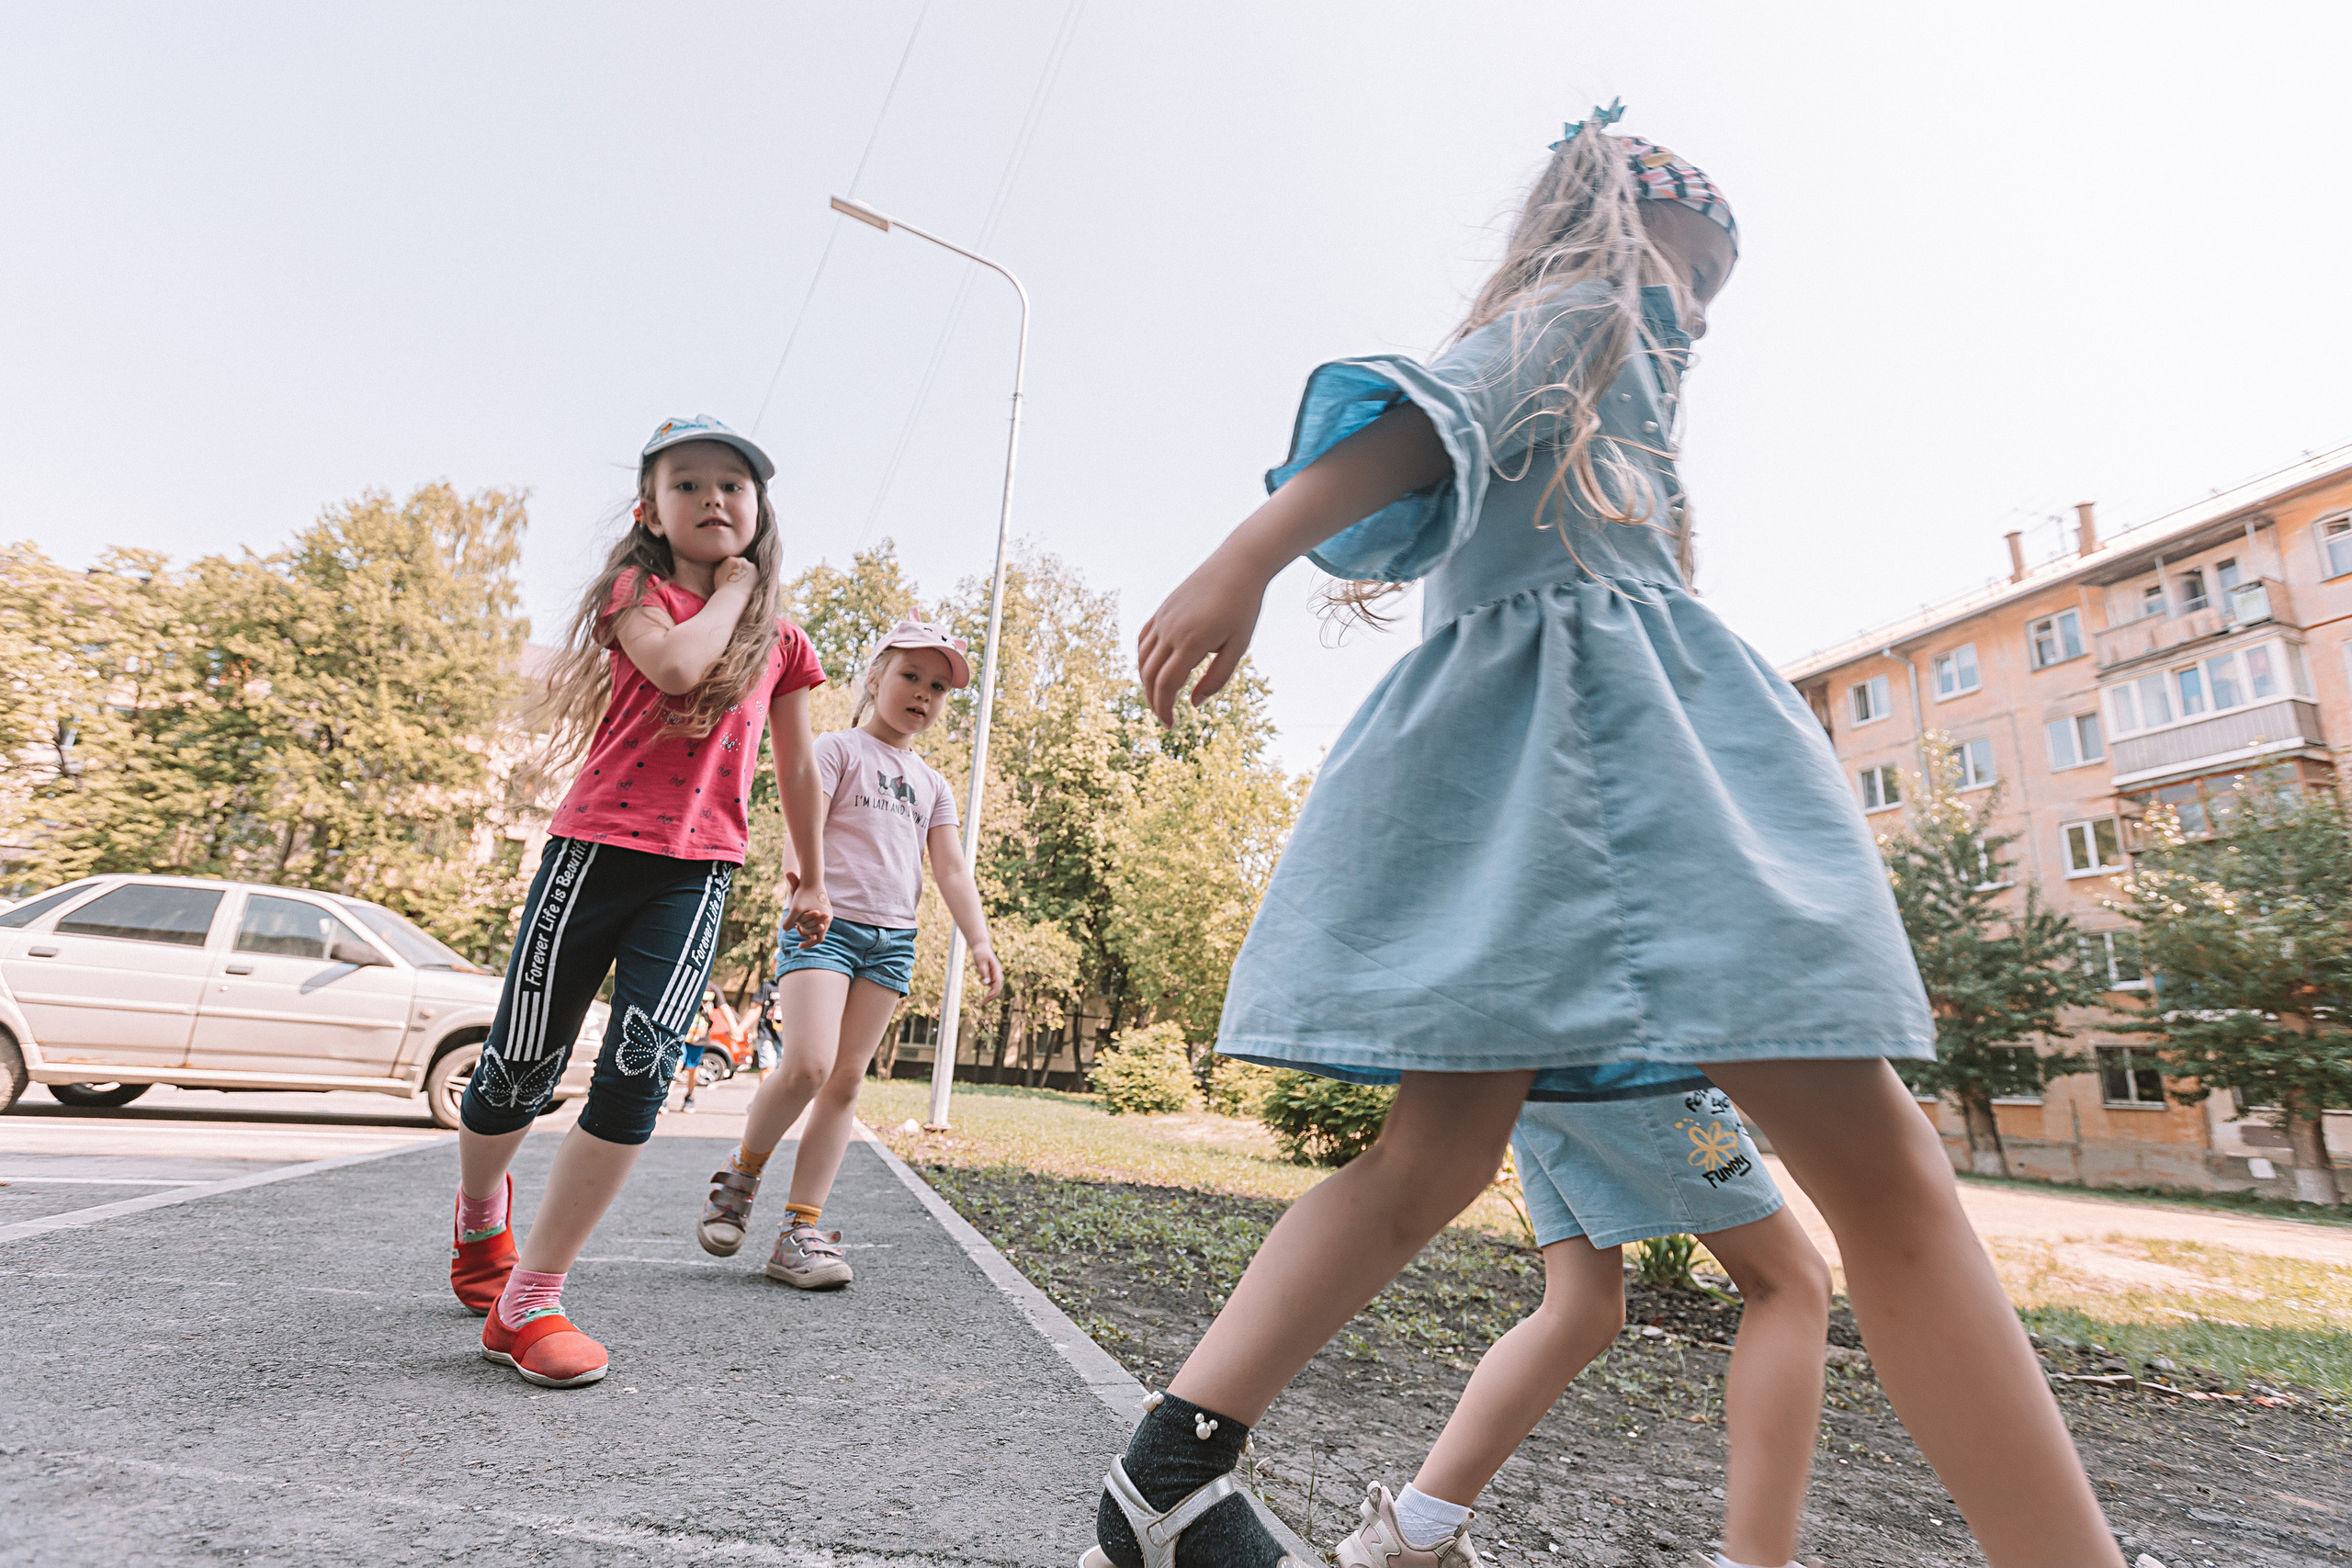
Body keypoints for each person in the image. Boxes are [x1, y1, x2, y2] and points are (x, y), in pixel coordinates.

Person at [1085, 105, 2122, 1568]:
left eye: (1713, 288)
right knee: (1889, 1189)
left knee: (1425, 1165)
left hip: (1543, 804)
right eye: (1684, 266)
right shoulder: (1584, 311)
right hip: (1609, 782)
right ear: (1613, 232)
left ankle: (1162, 1480)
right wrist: (1242, 559)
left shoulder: (1609, 375)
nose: (1693, 310)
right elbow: (1423, 412)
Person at [447, 414, 830, 1390]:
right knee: (521, 1064)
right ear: (650, 513)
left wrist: (812, 874)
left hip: (699, 870)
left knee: (640, 1071)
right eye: (689, 485)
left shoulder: (785, 645)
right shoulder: (637, 594)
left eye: (732, 487)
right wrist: (736, 592)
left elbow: (797, 769)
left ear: (759, 508)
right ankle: (481, 1210)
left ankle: (529, 1299)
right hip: (593, 852)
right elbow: (675, 668)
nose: (713, 500)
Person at [1335, 1090, 1828, 1568]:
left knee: (1580, 1309)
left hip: (1556, 1062)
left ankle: (1417, 1534)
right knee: (1788, 1284)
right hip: (1637, 1058)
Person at [694, 616, 1002, 1288]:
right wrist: (804, 884)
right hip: (823, 925)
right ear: (875, 676)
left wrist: (977, 936)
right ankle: (742, 1173)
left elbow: (950, 870)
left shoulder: (933, 785)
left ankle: (800, 1231)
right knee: (806, 1063)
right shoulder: (836, 749)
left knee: (846, 1081)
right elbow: (802, 824)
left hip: (892, 941)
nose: (924, 693)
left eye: (938, 686)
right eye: (910, 676)